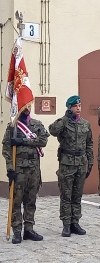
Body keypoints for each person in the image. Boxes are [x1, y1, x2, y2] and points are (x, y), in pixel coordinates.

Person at [2, 105, 49, 244]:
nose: (27, 108)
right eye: (24, 105)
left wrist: (23, 141)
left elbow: (43, 141)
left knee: (31, 200)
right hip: (19, 170)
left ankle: (29, 229)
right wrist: (10, 169)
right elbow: (6, 148)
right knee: (16, 201)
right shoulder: (13, 126)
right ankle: (17, 231)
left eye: (29, 105)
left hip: (34, 170)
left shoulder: (37, 124)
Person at [49, 95, 94, 237]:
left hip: (81, 163)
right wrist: (65, 118)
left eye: (80, 106)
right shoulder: (63, 123)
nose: (78, 108)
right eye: (75, 106)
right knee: (66, 195)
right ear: (69, 108)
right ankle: (66, 224)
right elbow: (52, 130)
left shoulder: (85, 124)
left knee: (77, 195)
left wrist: (90, 161)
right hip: (67, 164)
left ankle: (75, 222)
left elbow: (89, 144)